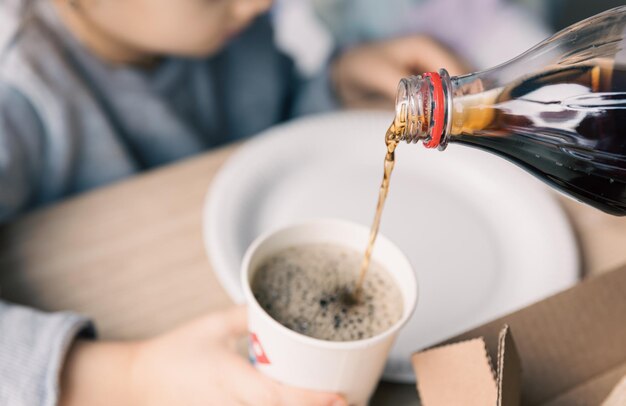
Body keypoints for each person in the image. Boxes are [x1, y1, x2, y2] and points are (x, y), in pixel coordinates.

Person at [0, 0, 469, 404]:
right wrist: (130, 378)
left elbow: (270, 132)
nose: (262, 4)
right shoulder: (19, 92)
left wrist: (334, 89)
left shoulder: (233, 35)